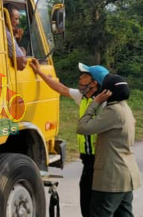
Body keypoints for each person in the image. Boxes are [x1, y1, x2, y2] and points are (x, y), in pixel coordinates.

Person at [30, 59, 109, 217]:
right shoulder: (83, 98)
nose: (80, 78)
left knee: (98, 206)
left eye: (84, 76)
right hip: (87, 161)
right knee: (86, 200)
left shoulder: (105, 105)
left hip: (101, 161)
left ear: (93, 83)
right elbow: (61, 88)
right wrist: (39, 72)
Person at [77, 74, 141, 217]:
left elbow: (82, 127)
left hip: (111, 176)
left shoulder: (113, 111)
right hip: (126, 174)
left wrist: (95, 103)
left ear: (107, 92)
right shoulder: (125, 108)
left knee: (99, 212)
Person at [3, 3, 27, 70]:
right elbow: (21, 64)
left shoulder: (5, 32)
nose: (18, 22)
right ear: (7, 19)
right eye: (16, 19)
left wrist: (16, 40)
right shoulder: (7, 34)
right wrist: (23, 51)